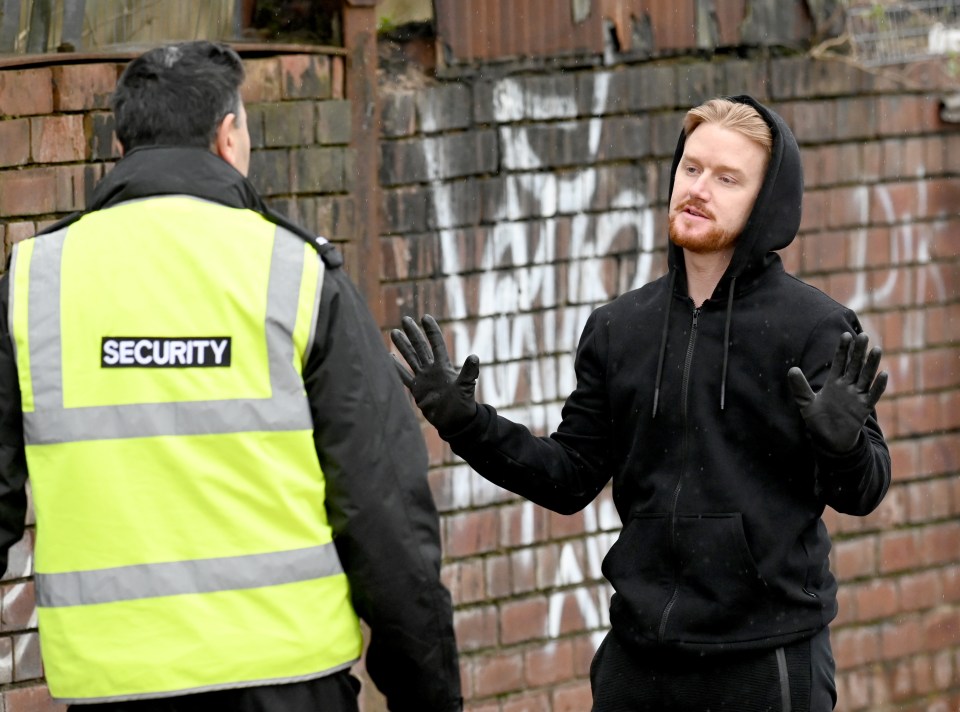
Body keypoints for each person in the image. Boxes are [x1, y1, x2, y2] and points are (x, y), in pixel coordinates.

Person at [0, 41, 461, 712]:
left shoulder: (35, 281)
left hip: (116, 692)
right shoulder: (296, 273)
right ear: (228, 136)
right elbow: (385, 515)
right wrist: (430, 697)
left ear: (121, 148)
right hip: (288, 685)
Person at [391, 95, 890, 711]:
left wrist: (842, 446)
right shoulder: (620, 327)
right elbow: (568, 477)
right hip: (637, 663)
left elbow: (863, 491)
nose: (699, 188)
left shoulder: (814, 327)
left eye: (727, 178)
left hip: (765, 662)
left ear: (767, 203)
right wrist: (466, 425)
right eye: (691, 168)